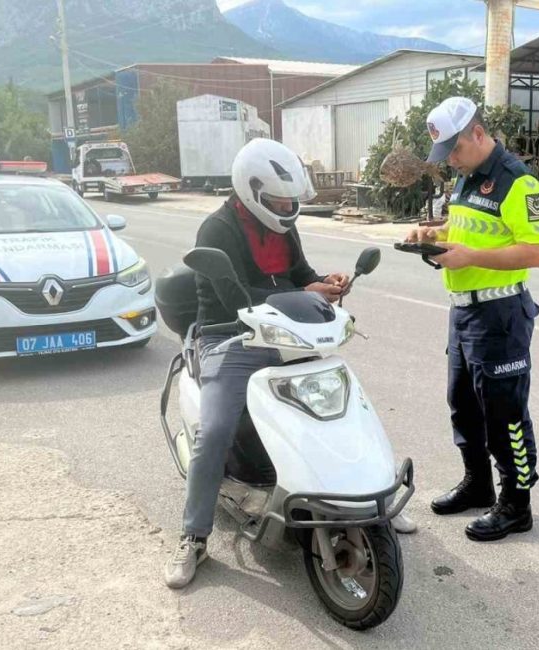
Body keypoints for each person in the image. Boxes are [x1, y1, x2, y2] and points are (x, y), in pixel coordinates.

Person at [165, 139, 413, 590]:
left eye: (291, 199)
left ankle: (366, 497)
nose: (287, 206)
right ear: (251, 189)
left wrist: (323, 283)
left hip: (282, 331)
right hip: (229, 336)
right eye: (279, 200)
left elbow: (298, 272)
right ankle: (193, 536)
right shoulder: (216, 230)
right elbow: (232, 296)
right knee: (216, 430)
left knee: (339, 402)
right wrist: (305, 296)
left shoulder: (281, 226)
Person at [406, 97, 539, 542]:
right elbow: (463, 229)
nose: (450, 158)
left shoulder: (518, 182)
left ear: (479, 134)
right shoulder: (465, 179)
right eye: (445, 152)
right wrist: (433, 235)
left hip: (500, 312)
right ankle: (478, 484)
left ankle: (516, 503)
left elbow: (535, 252)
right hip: (463, 311)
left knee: (505, 413)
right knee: (463, 404)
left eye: (455, 149)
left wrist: (471, 256)